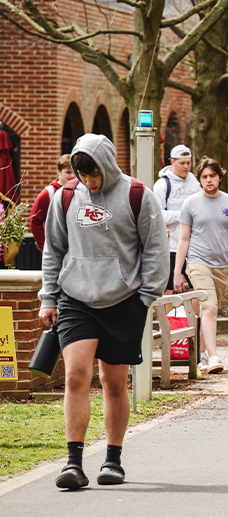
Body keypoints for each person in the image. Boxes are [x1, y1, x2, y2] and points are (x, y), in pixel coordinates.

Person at [38, 134, 169, 490]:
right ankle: (74, 462)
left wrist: (145, 297)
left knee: (113, 382)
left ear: (108, 165)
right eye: (83, 175)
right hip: (76, 298)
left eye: (94, 174)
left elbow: (157, 248)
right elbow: (54, 250)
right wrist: (48, 297)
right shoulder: (65, 197)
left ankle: (113, 459)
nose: (89, 181)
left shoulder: (138, 195)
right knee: (76, 375)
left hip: (123, 300)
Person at [174, 157, 228, 374]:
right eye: (204, 177)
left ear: (220, 177)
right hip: (197, 262)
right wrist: (178, 272)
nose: (208, 180)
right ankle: (213, 357)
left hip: (222, 266)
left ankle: (201, 355)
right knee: (209, 307)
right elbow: (183, 239)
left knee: (208, 311)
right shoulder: (190, 203)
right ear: (199, 180)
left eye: (212, 176)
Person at [152, 145, 200, 295]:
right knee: (169, 288)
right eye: (182, 163)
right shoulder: (162, 185)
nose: (186, 167)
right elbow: (157, 216)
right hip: (171, 247)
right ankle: (164, 319)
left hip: (194, 246)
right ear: (172, 162)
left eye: (189, 162)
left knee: (199, 288)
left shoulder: (196, 182)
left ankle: (194, 319)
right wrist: (182, 215)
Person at [30, 154, 76, 252]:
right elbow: (35, 221)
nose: (72, 176)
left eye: (74, 172)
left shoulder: (80, 191)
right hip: (57, 249)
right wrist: (46, 248)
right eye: (68, 172)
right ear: (58, 171)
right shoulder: (48, 194)